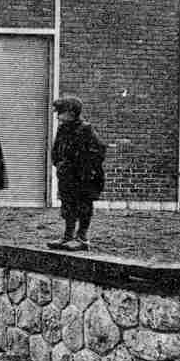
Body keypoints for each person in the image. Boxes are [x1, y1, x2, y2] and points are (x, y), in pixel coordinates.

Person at [48, 96, 106, 252]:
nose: (57, 115)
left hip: (83, 177)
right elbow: (56, 150)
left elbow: (99, 151)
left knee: (83, 206)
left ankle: (82, 238)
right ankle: (67, 236)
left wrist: (84, 168)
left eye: (60, 112)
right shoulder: (63, 128)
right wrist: (59, 163)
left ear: (72, 112)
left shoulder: (85, 129)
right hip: (67, 176)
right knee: (67, 206)